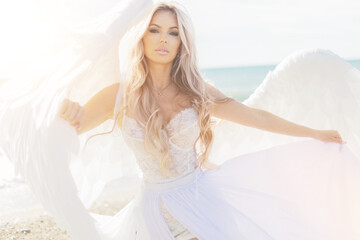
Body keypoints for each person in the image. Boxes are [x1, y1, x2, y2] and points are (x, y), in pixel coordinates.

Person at [1, 0, 360, 239]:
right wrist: (67, 111)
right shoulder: (120, 94)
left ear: (182, 42)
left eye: (173, 32)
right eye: (155, 30)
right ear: (141, 37)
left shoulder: (194, 90)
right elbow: (71, 128)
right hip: (152, 208)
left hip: (201, 197)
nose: (163, 39)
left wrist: (313, 133)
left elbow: (253, 115)